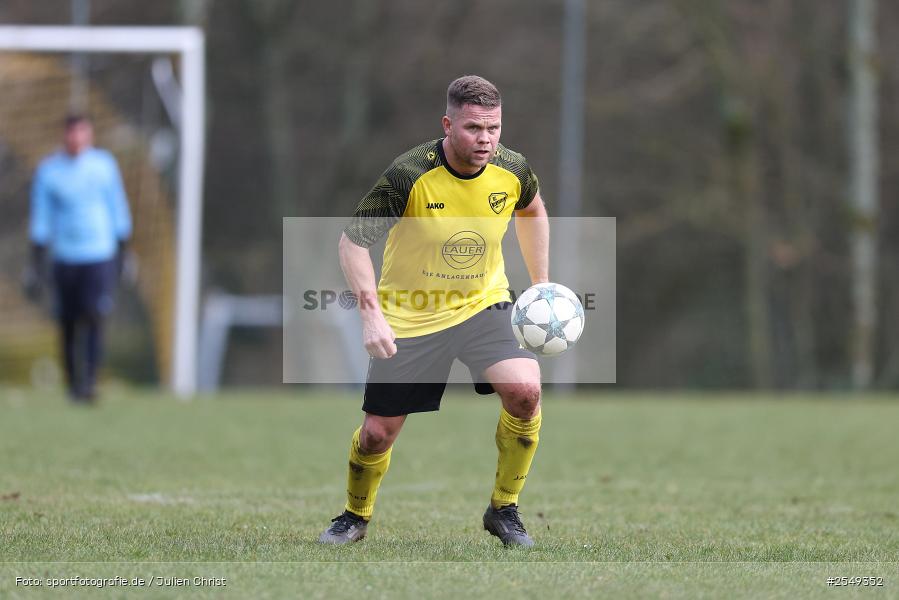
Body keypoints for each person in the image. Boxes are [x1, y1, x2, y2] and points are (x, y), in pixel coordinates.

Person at [319, 75, 549, 547]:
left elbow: (532, 209)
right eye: (472, 128)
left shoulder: (513, 168)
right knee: (377, 435)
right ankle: (354, 516)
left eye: (493, 128)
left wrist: (541, 283)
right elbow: (352, 243)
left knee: (526, 392)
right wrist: (371, 315)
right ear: (448, 125)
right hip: (412, 314)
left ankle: (504, 509)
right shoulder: (408, 175)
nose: (485, 139)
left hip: (483, 304)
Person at [25, 114, 132, 402]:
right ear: (64, 135)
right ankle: (73, 383)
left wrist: (123, 252)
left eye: (81, 132)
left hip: (98, 253)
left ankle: (91, 381)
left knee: (95, 315)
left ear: (90, 135)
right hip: (64, 256)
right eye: (71, 132)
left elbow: (118, 208)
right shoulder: (49, 171)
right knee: (68, 321)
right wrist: (35, 264)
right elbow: (41, 219)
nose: (76, 138)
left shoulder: (104, 166)